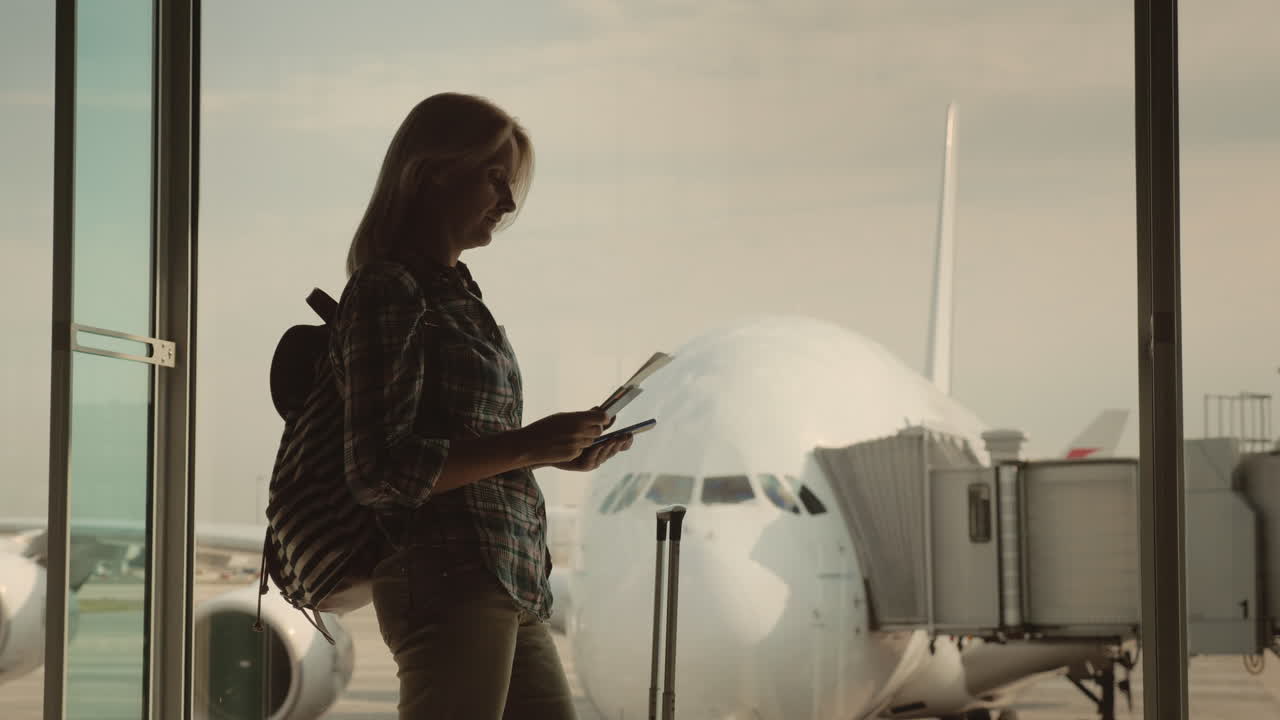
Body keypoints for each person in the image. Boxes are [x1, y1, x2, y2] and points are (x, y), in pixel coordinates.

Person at [334, 92, 632, 720]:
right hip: (451, 573)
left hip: (504, 572)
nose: (508, 202)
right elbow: (381, 470)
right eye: (496, 178)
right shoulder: (390, 288)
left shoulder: (456, 294)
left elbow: (457, 447)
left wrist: (549, 454)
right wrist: (526, 446)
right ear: (434, 172)